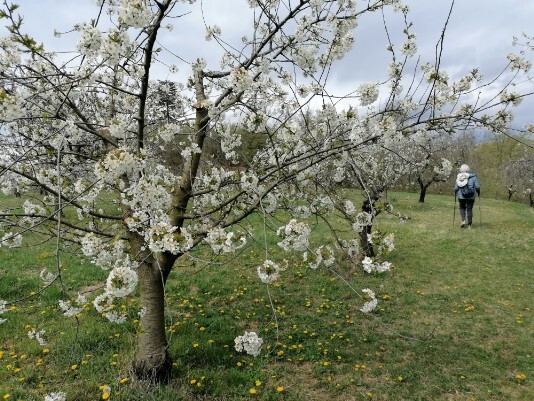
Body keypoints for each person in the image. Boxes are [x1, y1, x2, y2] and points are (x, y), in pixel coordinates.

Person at [454, 164, 481, 228]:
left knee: (462, 208)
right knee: (469, 209)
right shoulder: (473, 177)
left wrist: (455, 192)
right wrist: (478, 192)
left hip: (461, 196)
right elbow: (477, 186)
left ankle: (463, 221)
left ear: (461, 170)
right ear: (468, 170)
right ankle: (469, 225)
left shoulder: (459, 176)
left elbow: (456, 187)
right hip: (471, 196)